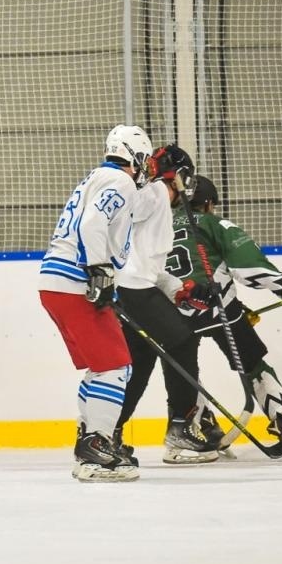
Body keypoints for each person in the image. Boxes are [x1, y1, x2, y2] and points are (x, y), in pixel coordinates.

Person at [38, 124, 153, 482]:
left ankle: (90, 439)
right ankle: (94, 449)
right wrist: (100, 271)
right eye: (144, 159)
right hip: (76, 281)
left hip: (57, 282)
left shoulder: (98, 177)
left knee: (104, 366)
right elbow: (93, 223)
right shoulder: (119, 181)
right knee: (115, 366)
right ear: (134, 157)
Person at [177, 175, 282, 458]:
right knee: (254, 364)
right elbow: (247, 268)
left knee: (182, 372)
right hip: (217, 307)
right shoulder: (214, 224)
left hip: (171, 308)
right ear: (208, 204)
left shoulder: (157, 226)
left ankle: (200, 425)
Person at [112, 143, 224, 464]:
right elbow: (130, 208)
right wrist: (159, 181)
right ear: (180, 175)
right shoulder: (159, 192)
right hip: (134, 288)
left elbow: (149, 263)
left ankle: (110, 432)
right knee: (183, 340)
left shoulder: (158, 199)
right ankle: (181, 429)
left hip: (135, 287)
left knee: (141, 363)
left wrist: (182, 289)